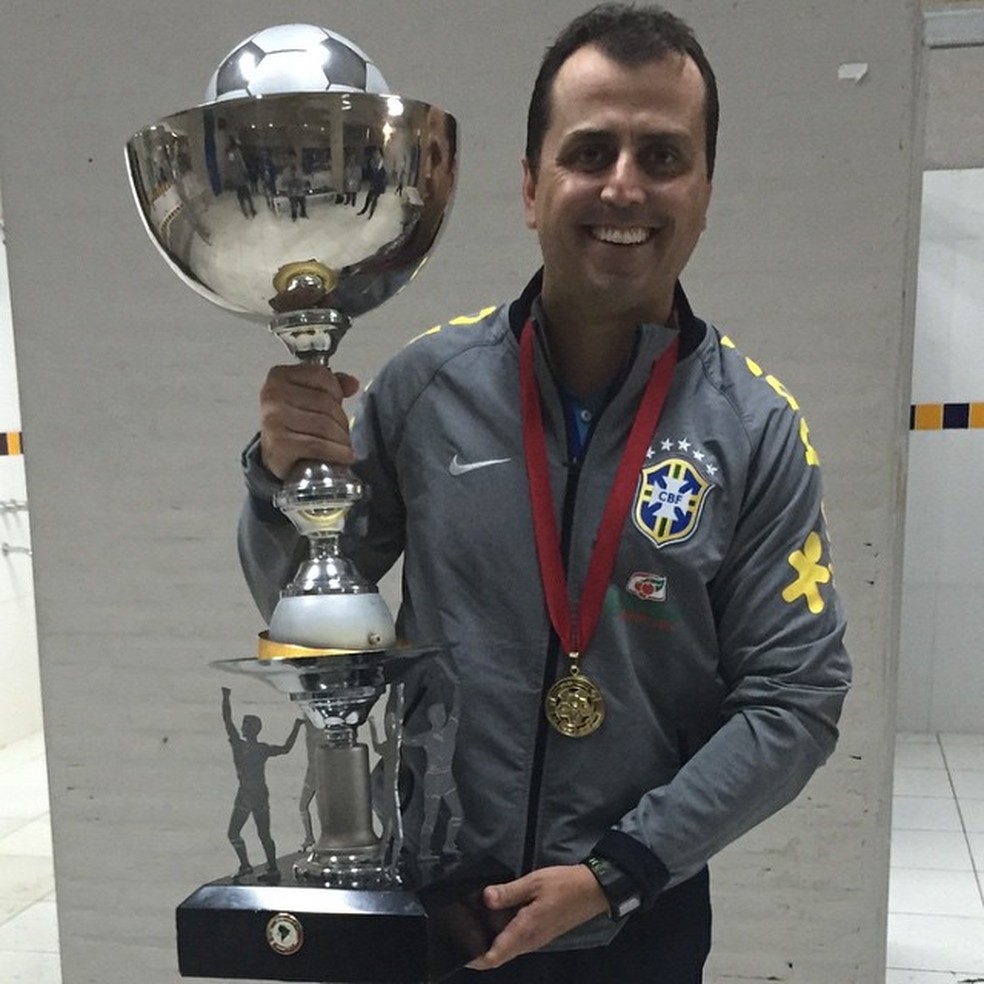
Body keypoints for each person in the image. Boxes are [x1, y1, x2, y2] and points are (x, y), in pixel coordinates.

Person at [237, 5, 851, 982]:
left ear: (703, 192)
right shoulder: (425, 388)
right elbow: (306, 603)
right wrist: (280, 478)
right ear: (531, 185)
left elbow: (797, 700)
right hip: (438, 910)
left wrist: (617, 872)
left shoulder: (756, 429)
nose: (623, 185)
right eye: (591, 149)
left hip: (635, 916)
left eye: (662, 156)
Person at [221, 686, 303, 879]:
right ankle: (266, 867)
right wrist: (297, 727)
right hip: (255, 793)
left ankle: (252, 866)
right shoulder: (257, 748)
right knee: (259, 834)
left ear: (252, 729)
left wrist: (225, 698)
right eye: (244, 724)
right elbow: (286, 748)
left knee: (237, 833)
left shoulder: (245, 746)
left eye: (246, 725)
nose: (242, 727)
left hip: (248, 793)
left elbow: (227, 720)